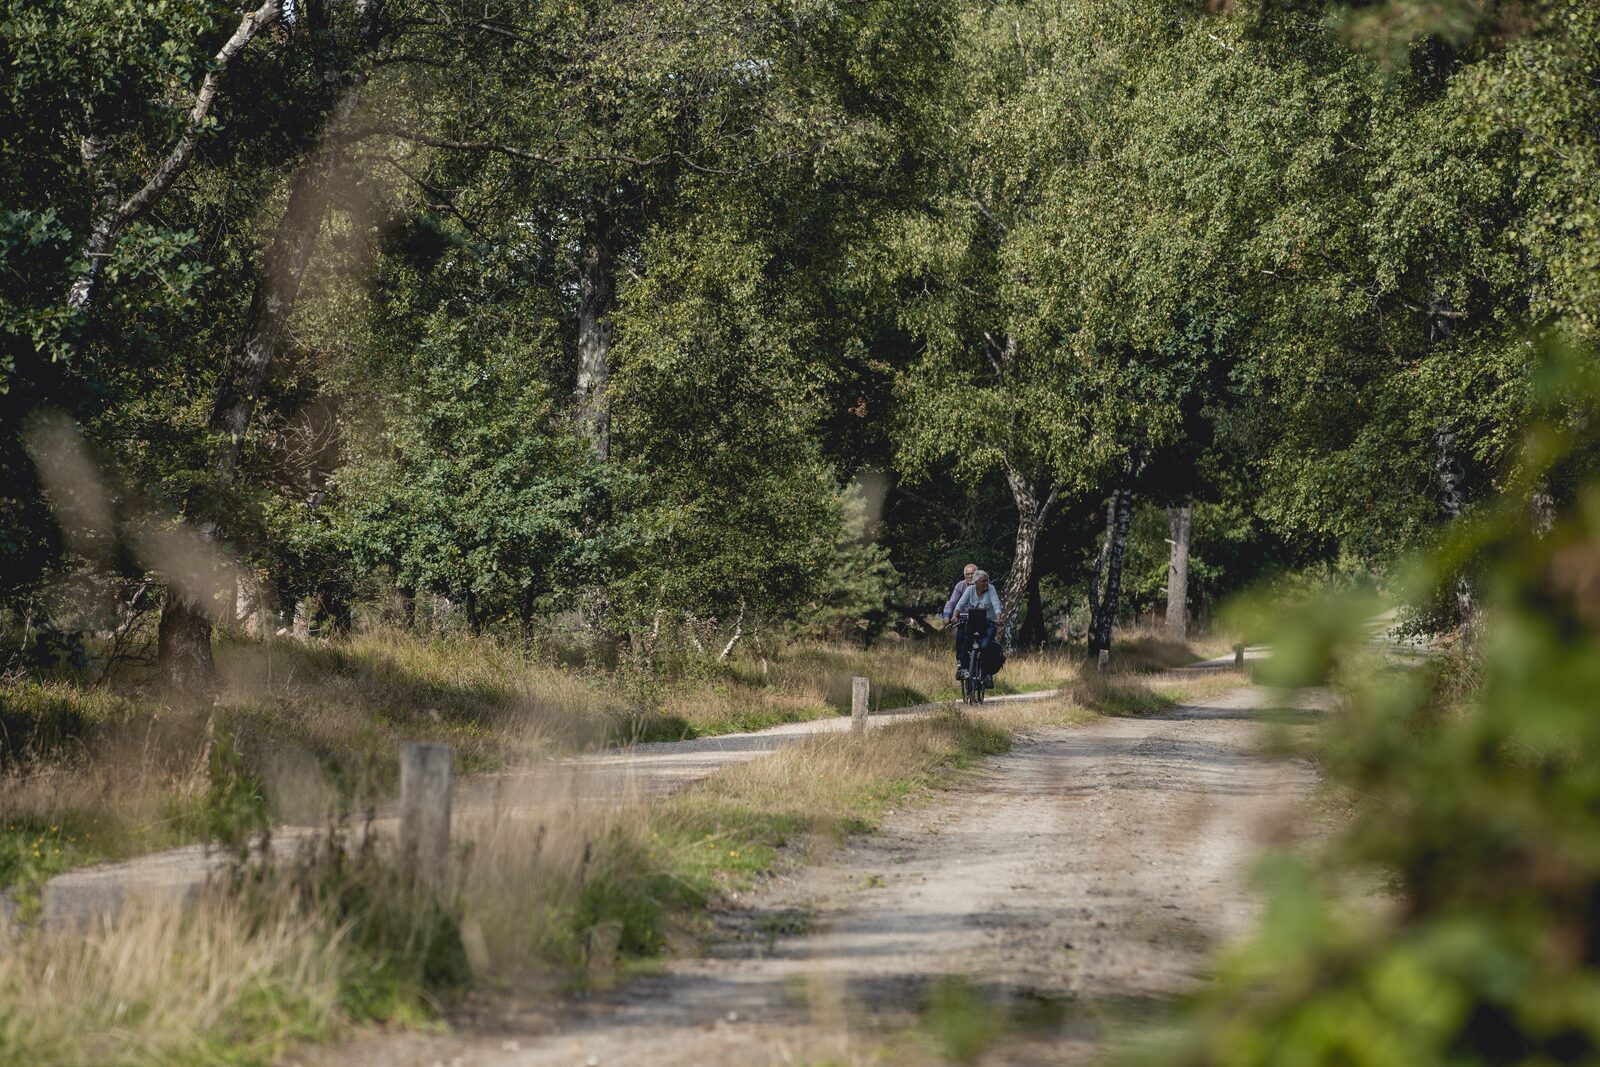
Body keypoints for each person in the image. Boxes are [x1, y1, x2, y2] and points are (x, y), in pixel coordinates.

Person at [953, 570, 1005, 681]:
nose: (986, 583)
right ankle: (963, 669)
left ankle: (986, 673)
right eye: (983, 581)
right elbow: (960, 604)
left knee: (985, 646)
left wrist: (998, 617)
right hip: (973, 623)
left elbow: (996, 604)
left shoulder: (991, 589)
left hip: (989, 623)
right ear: (976, 582)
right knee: (965, 643)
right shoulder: (970, 590)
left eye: (987, 580)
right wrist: (954, 616)